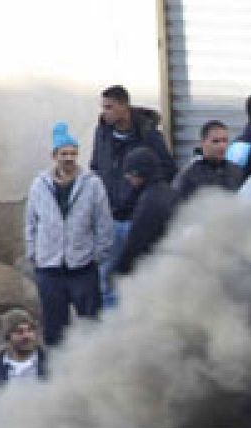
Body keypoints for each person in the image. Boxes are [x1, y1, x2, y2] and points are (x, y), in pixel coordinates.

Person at [24, 123, 112, 346]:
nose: (69, 158)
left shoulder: (92, 185)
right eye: (64, 153)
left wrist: (97, 255)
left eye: (73, 153)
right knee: (54, 328)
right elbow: (31, 222)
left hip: (82, 266)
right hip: (49, 268)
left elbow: (103, 223)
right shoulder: (39, 185)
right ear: (54, 156)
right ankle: (57, 371)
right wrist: (33, 253)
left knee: (90, 324)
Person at [89, 85, 173, 304]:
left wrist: (143, 197)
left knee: (139, 279)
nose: (104, 112)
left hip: (139, 218)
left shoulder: (148, 135)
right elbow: (96, 166)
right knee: (107, 281)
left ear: (124, 106)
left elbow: (167, 170)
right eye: (103, 107)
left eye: (109, 107)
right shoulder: (103, 133)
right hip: (110, 219)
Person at [112, 147, 176, 277]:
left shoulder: (149, 201)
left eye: (130, 173)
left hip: (155, 269)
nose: (127, 177)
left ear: (139, 172)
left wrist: (120, 270)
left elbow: (136, 242)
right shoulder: (170, 192)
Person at [175, 121, 241, 199]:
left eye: (224, 140)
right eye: (215, 141)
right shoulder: (189, 175)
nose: (222, 146)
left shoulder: (236, 171)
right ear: (203, 143)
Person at [0, 308, 47, 386]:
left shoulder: (49, 362)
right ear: (8, 337)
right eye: (19, 331)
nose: (26, 336)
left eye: (30, 330)